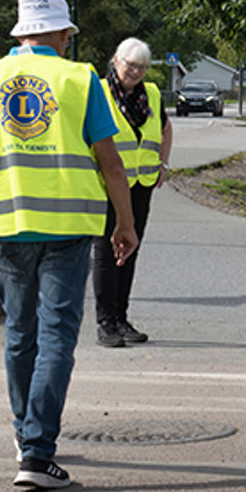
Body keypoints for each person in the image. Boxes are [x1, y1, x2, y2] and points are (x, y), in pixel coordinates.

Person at [0, 0, 138, 491]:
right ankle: (36, 451)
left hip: (8, 228)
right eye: (68, 34)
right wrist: (125, 223)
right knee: (56, 336)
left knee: (20, 334)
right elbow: (111, 162)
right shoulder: (79, 80)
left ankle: (24, 436)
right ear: (60, 34)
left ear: (19, 34)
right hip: (69, 228)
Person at [92, 38, 172, 348]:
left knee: (130, 249)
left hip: (141, 183)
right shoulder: (97, 91)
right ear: (116, 61)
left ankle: (121, 317)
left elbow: (165, 128)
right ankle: (105, 322)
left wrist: (163, 163)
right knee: (106, 251)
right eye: (131, 65)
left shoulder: (150, 94)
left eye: (141, 67)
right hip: (106, 184)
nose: (136, 72)